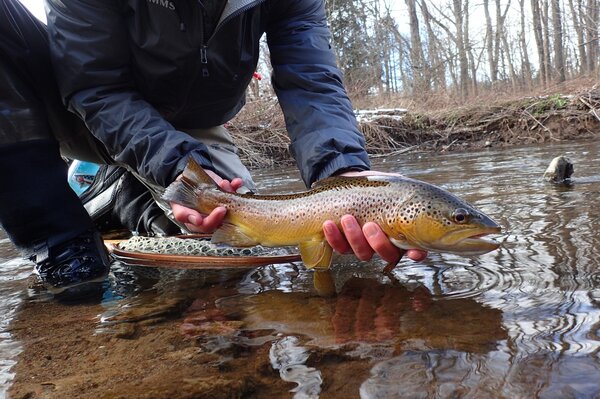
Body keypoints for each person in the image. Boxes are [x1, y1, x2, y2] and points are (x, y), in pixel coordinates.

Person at [0, 0, 425, 296]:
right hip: (69, 105)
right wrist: (174, 166)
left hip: (192, 128)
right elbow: (96, 87)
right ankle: (61, 241)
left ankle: (123, 192)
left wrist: (343, 172)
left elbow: (311, 80)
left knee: (229, 248)